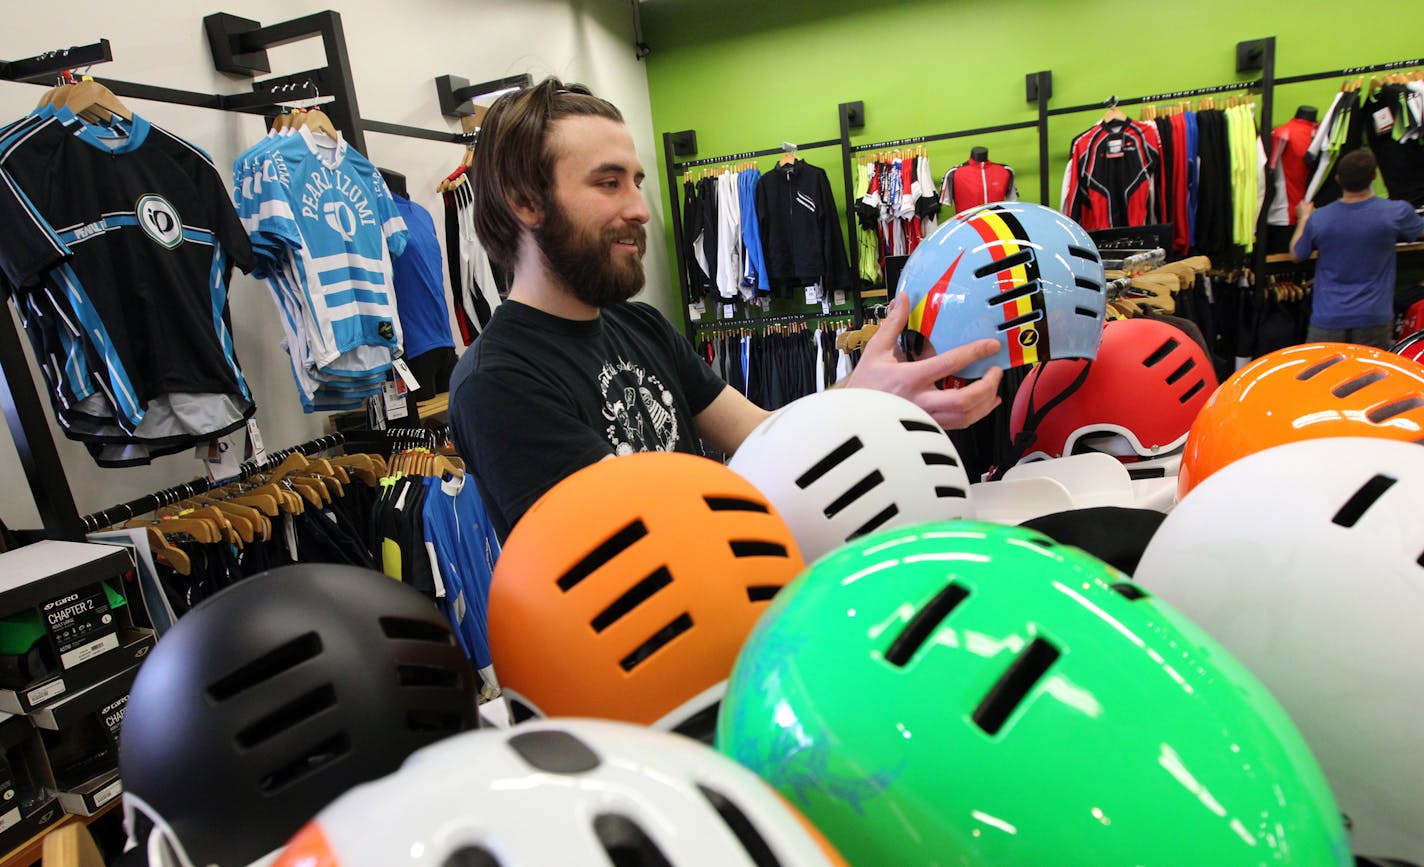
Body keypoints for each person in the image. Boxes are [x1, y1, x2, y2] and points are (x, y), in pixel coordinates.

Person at [449, 78, 1003, 542]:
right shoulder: (499, 381)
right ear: (525, 202)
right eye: (608, 182)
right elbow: (643, 542)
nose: (641, 209)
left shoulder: (638, 324)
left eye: (637, 182)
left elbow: (761, 432)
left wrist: (869, 397)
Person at [1291, 150, 1424, 349]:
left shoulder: (1319, 219)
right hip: (1373, 317)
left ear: (1338, 179)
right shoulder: (1396, 212)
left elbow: (1296, 254)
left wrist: (1303, 218)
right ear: (1374, 176)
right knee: (1371, 378)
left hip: (1329, 317)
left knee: (1324, 378)